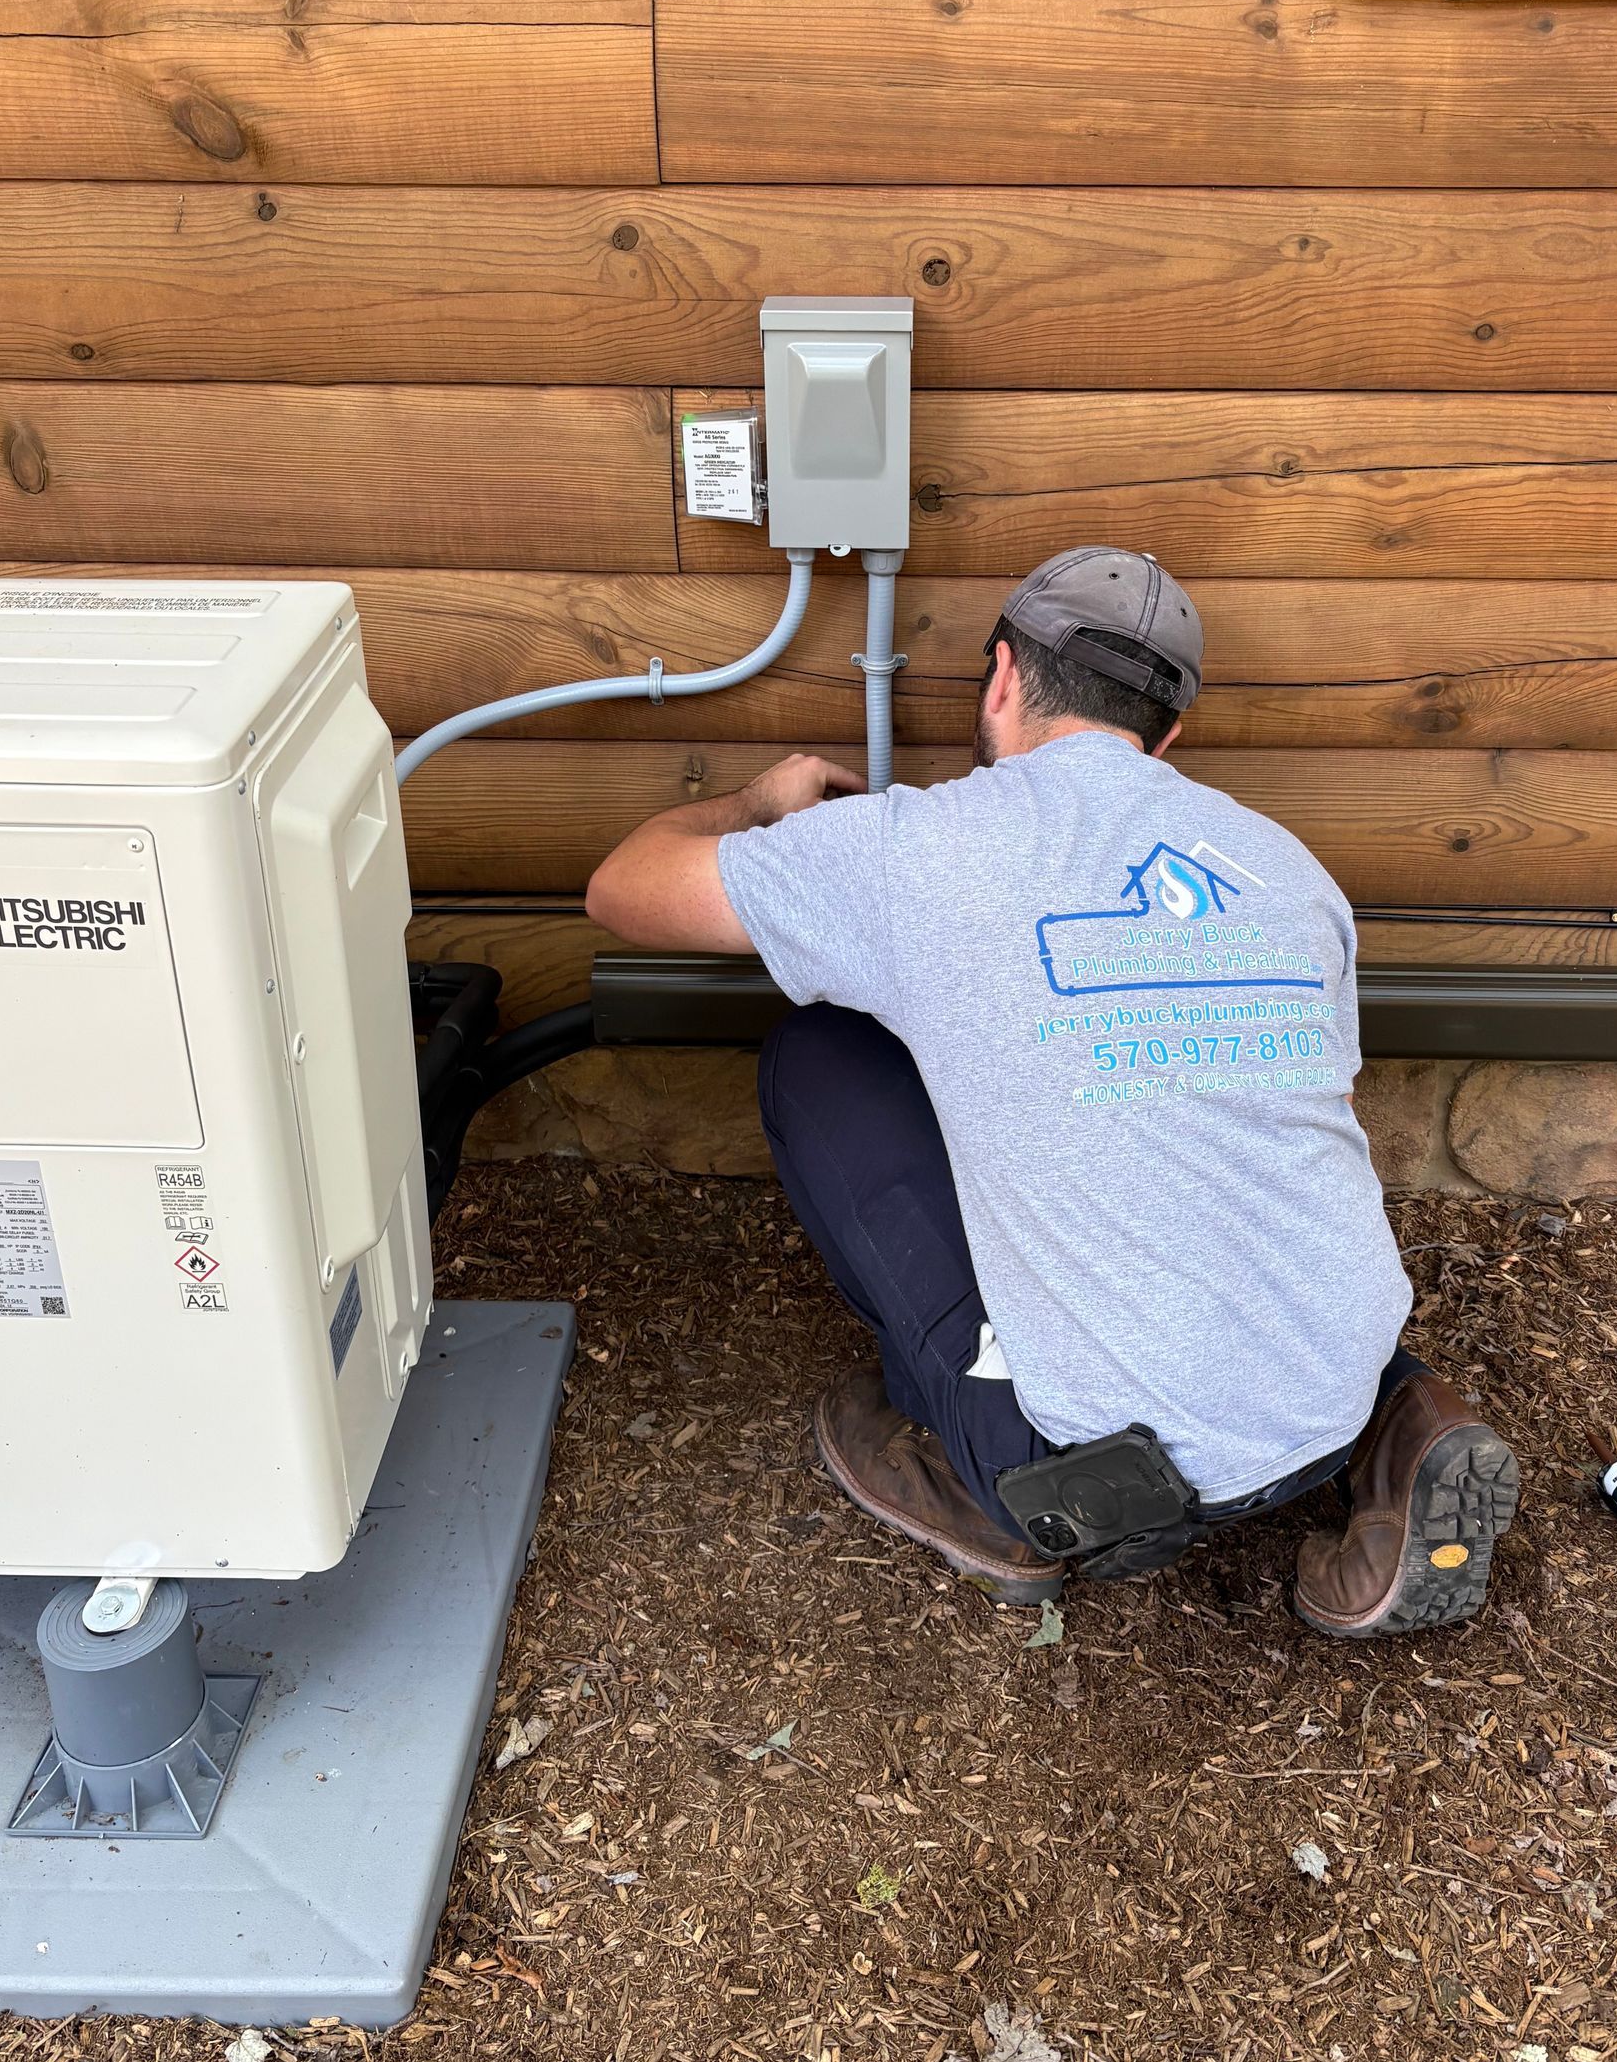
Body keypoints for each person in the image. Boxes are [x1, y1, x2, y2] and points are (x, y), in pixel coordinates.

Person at [585, 547, 1518, 1634]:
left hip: (1097, 1469)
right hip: (1329, 1387)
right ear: (1166, 735)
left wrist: (761, 799)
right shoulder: (1288, 870)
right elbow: (1327, 1122)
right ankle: (1400, 1420)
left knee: (821, 1054)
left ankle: (994, 1490)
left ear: (998, 679)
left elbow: (622, 888)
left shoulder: (912, 850)